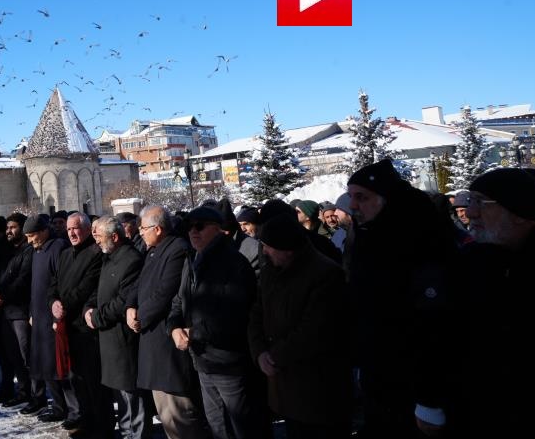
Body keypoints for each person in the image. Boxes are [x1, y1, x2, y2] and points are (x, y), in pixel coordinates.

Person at [451, 168, 535, 439]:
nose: (470, 212)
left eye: (480, 202)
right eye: (470, 202)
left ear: (518, 212)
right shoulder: (470, 264)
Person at [346, 159, 456, 439]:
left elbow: (435, 326)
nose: (353, 206)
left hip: (413, 388)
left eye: (361, 197)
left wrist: (429, 399)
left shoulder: (422, 243)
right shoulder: (366, 239)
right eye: (351, 198)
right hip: (379, 379)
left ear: (386, 200)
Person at [248, 203, 352, 439]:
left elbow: (314, 330)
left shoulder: (325, 274)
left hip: (318, 390)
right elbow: (256, 313)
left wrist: (274, 356)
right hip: (284, 387)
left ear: (287, 249)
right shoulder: (271, 270)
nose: (263, 252)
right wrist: (260, 352)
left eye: (268, 247)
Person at [168, 206, 268, 439]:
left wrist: (193, 333)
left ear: (218, 229)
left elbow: (234, 315)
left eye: (200, 227)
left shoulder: (233, 263)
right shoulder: (192, 259)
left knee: (243, 427)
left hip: (229, 362)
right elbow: (179, 300)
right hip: (203, 360)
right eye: (189, 227)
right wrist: (173, 327)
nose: (193, 232)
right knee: (217, 426)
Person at [130, 205, 207, 439]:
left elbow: (165, 292)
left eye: (143, 228)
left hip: (166, 345)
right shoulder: (153, 250)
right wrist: (130, 307)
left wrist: (140, 316)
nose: (140, 233)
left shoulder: (176, 249)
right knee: (166, 414)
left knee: (179, 416)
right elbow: (139, 284)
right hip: (152, 344)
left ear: (158, 228)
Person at [85, 216, 146, 439]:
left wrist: (98, 317)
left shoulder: (130, 259)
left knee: (131, 396)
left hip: (123, 340)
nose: (96, 241)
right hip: (109, 340)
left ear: (115, 236)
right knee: (120, 397)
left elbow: (124, 300)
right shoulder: (109, 258)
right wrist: (88, 310)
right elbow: (98, 291)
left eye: (99, 236)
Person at [49, 212, 106, 436]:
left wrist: (63, 305)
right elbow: (53, 283)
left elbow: (86, 287)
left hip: (85, 328)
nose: (72, 233)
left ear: (87, 229)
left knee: (93, 383)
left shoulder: (95, 253)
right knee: (76, 380)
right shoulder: (65, 254)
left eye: (76, 228)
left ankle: (101, 429)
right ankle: (86, 423)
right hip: (67, 326)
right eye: (69, 229)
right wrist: (53, 302)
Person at [23, 213, 69, 419]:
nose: (29, 240)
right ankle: (58, 407)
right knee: (46, 366)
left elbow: (61, 282)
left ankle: (69, 410)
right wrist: (32, 312)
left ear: (44, 231)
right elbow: (35, 286)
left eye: (32, 235)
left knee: (58, 367)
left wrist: (56, 317)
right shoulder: (37, 251)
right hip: (40, 317)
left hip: (53, 317)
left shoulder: (57, 247)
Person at [0, 212, 36, 408]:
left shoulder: (28, 250)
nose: (9, 231)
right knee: (13, 355)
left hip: (20, 310)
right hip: (7, 310)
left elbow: (23, 278)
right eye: (7, 228)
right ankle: (22, 391)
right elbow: (0, 276)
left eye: (13, 227)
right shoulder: (7, 250)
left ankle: (36, 395)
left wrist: (3, 295)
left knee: (26, 354)